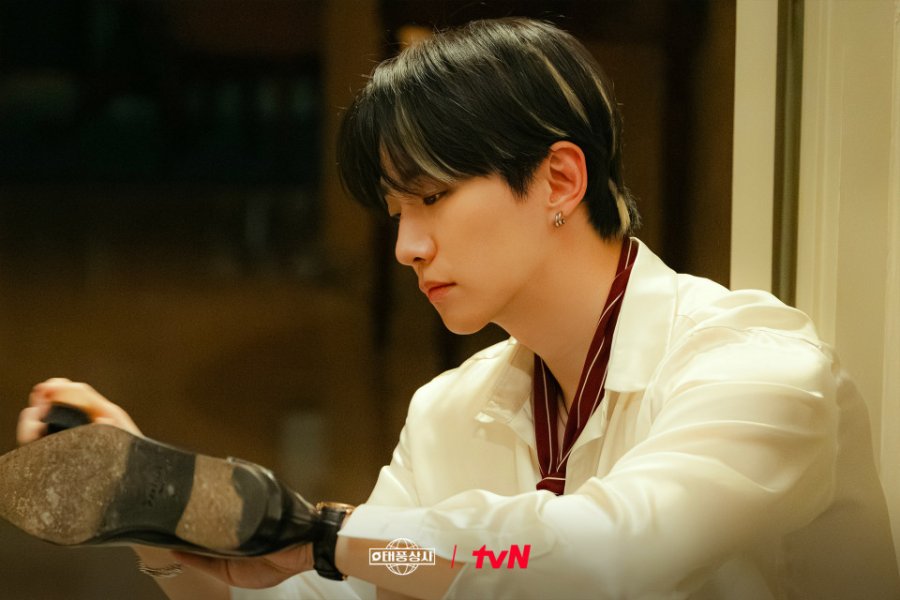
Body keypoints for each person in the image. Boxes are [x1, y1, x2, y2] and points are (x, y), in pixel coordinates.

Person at [12, 16, 900, 600]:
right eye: (395, 211)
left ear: (560, 180)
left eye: (432, 197)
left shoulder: (757, 368)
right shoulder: (455, 409)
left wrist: (329, 533)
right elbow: (375, 573)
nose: (406, 246)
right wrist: (158, 524)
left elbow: (604, 559)